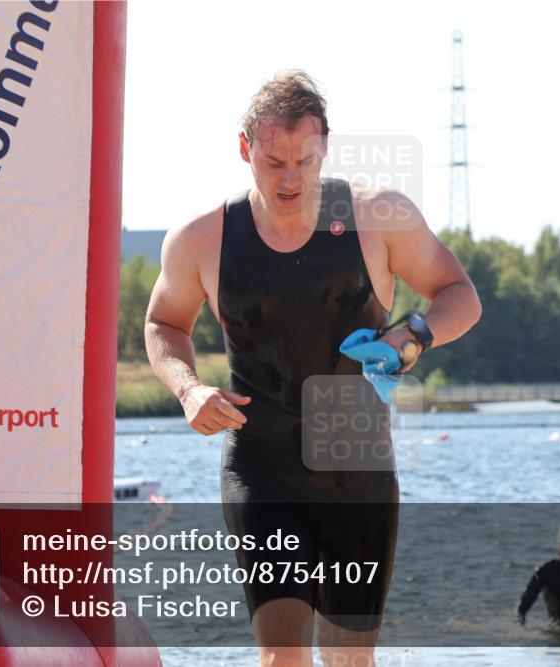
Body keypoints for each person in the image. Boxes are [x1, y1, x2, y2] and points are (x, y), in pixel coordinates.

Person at [144, 70, 481, 667]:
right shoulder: (201, 238)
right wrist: (188, 388)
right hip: (261, 467)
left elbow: (459, 294)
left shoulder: (380, 216)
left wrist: (413, 335)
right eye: (274, 161)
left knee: (349, 660)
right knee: (283, 657)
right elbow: (163, 324)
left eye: (305, 159)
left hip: (358, 471)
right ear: (245, 148)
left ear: (325, 145)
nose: (291, 178)